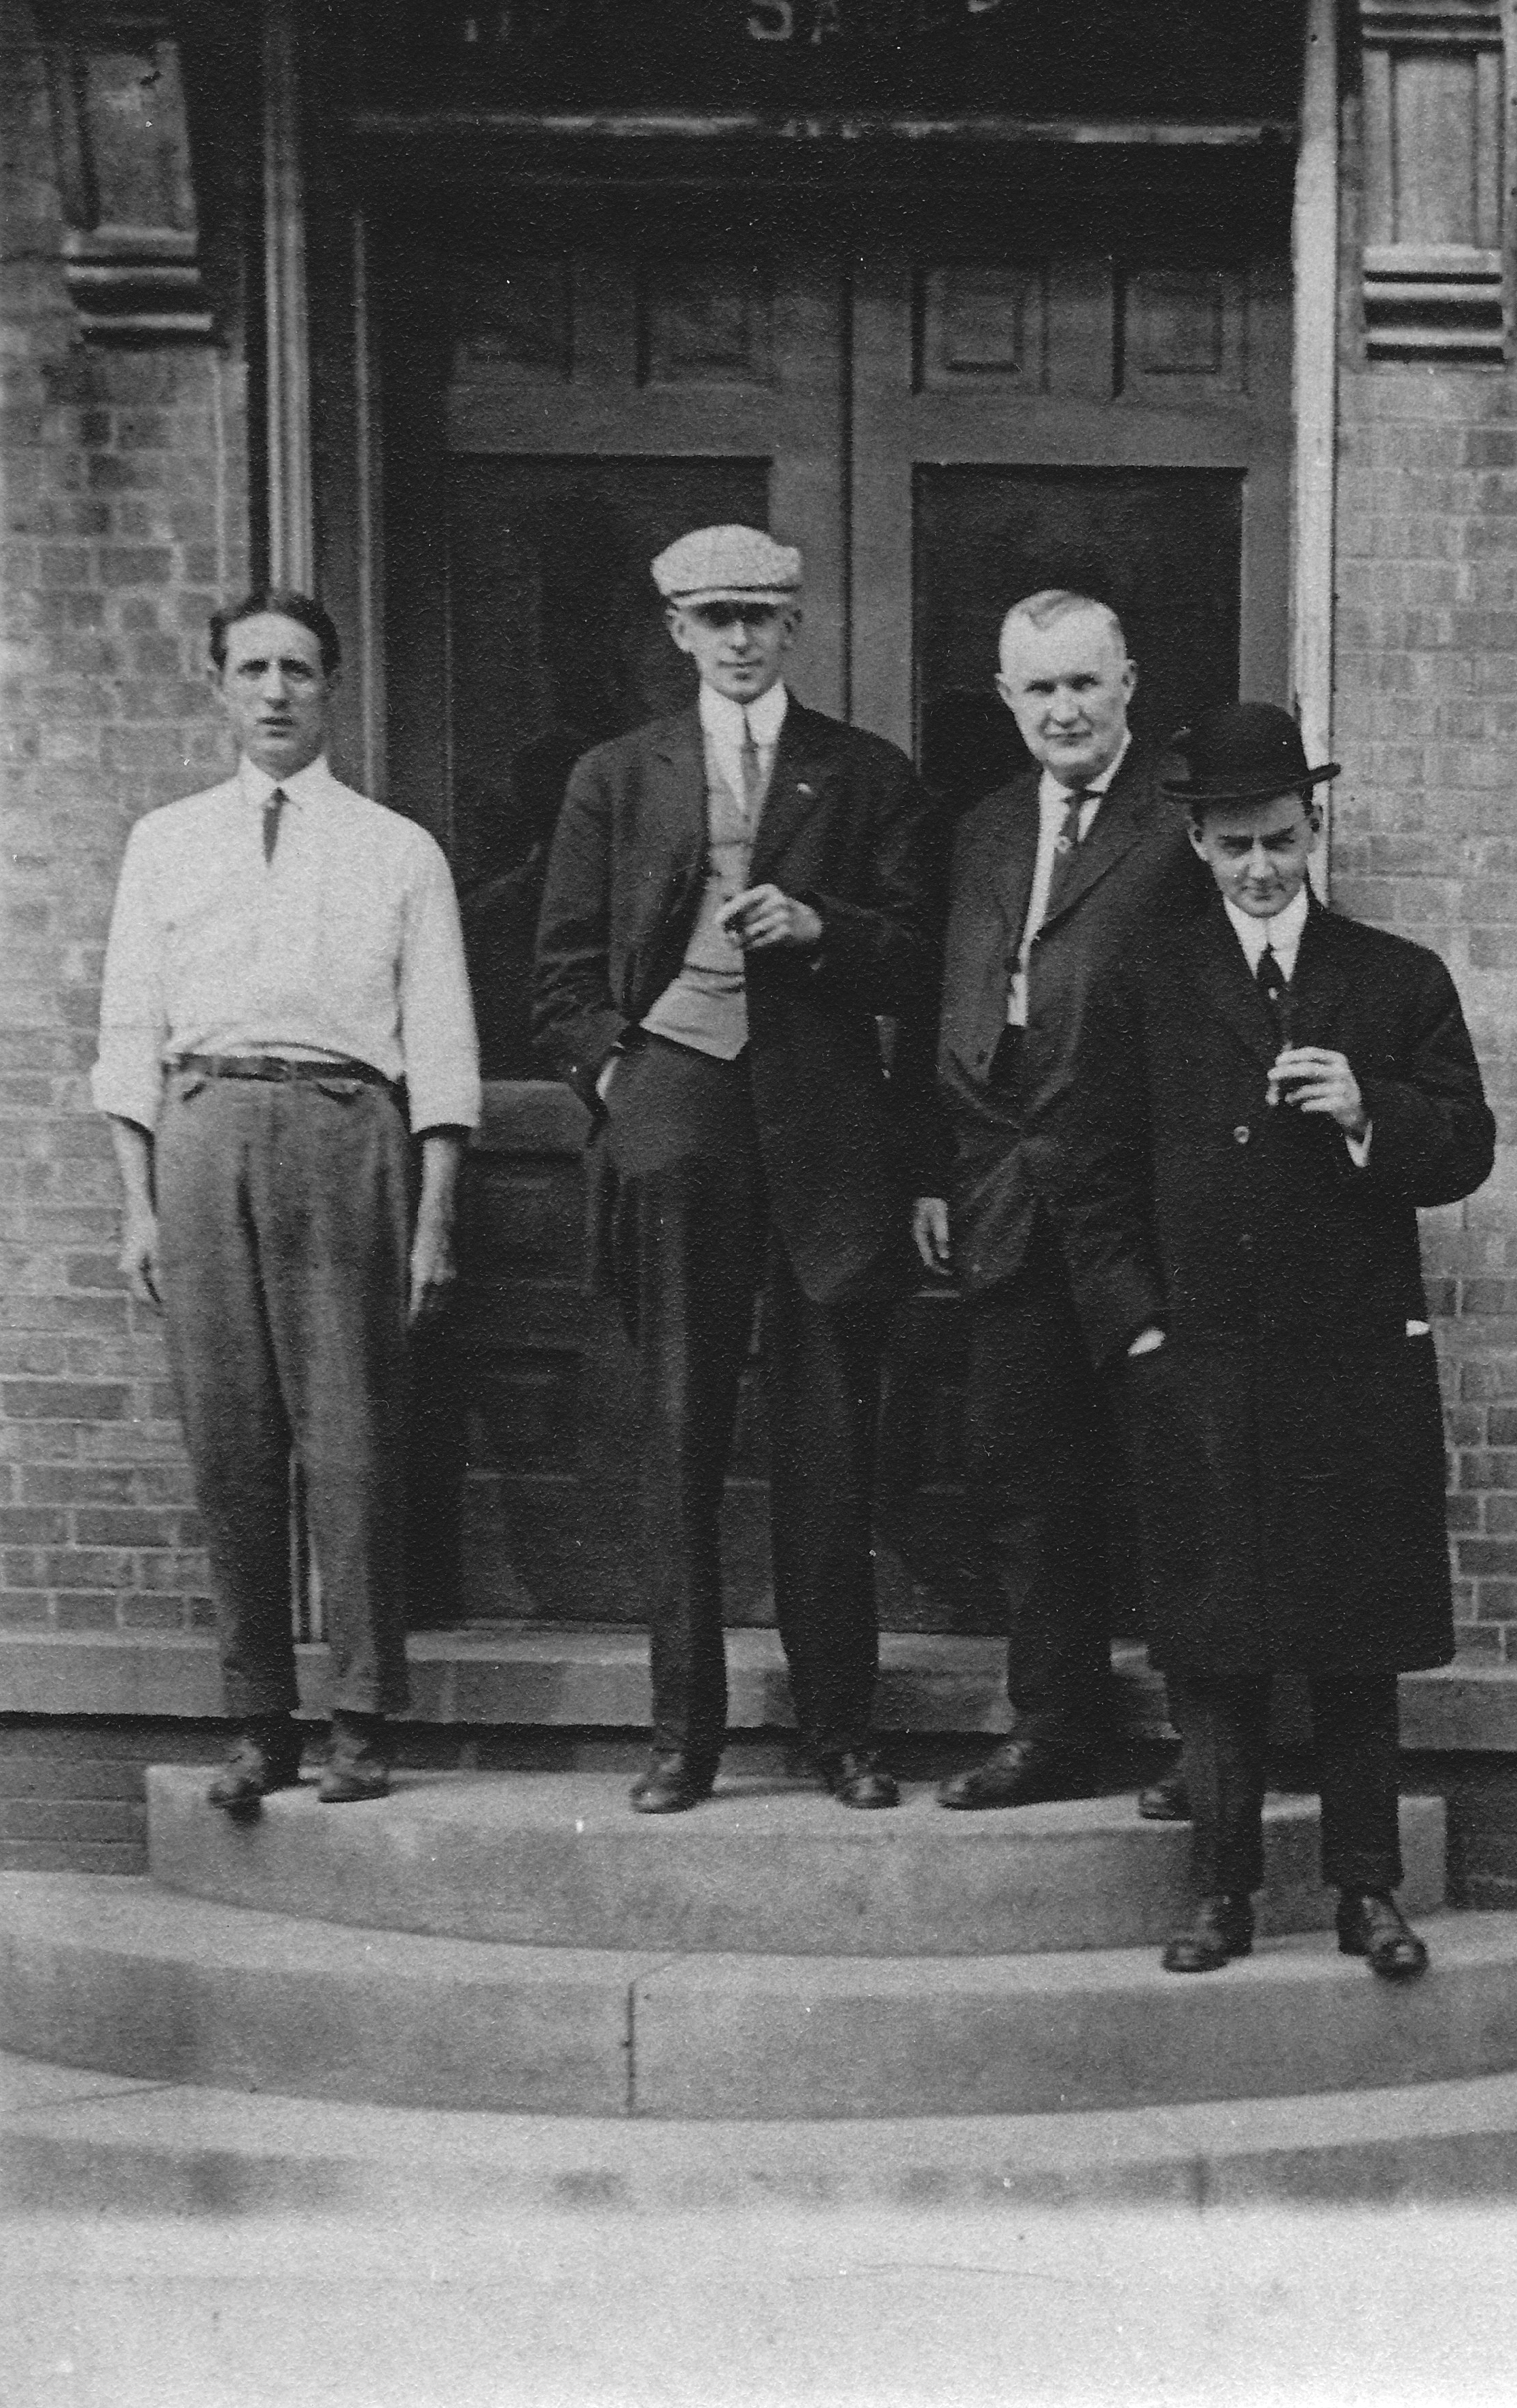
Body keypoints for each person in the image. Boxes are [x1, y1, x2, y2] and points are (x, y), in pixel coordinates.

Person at [1065, 701, 1495, 1976]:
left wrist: (1376, 1112)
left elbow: (1466, 1146)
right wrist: (1137, 1331)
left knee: (1356, 1636)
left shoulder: (1394, 977)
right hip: (1198, 1362)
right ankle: (1221, 1893)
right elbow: (1084, 1171)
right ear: (1196, 842)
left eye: (1282, 840)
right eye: (1237, 844)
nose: (1262, 867)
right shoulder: (1144, 977)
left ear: (1313, 829)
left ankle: (1368, 1891)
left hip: (1353, 1358)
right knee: (1212, 1638)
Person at [534, 523, 940, 1815]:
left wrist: (825, 928)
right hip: (677, 1119)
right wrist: (621, 1074)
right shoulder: (615, 775)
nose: (741, 638)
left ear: (796, 624)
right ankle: (681, 1736)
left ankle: (841, 1733)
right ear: (677, 632)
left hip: (825, 1137)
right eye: (716, 618)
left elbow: (924, 962)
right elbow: (558, 973)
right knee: (679, 1433)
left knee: (828, 1443)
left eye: (762, 615)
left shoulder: (864, 775)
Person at [92, 589, 481, 1813]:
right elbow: (127, 1034)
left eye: (299, 671)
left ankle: (362, 1718)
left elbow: (444, 1044)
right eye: (252, 669)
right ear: (219, 686)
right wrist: (138, 1206)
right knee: (233, 1445)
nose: (275, 691)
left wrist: (433, 1215)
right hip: (204, 1136)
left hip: (342, 1132)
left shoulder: (395, 847)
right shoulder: (167, 840)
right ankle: (258, 1720)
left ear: (332, 688)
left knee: (353, 1437)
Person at [913, 591, 1199, 1809]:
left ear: (1128, 681)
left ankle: (1210, 1739)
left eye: (1085, 682)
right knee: (1024, 1477)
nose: (1064, 710)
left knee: (1175, 1471)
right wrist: (933, 1167)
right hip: (1004, 1195)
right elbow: (945, 1006)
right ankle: (1053, 1727)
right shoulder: (979, 830)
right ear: (1007, 699)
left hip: (1140, 1200)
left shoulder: (1181, 817)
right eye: (1039, 689)